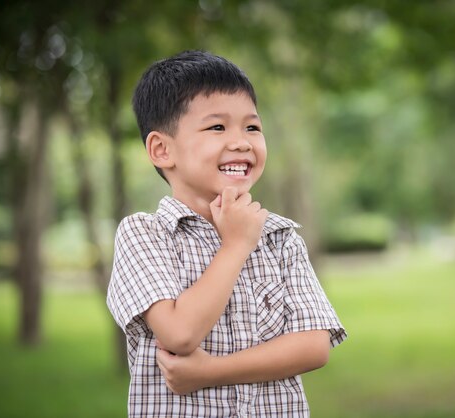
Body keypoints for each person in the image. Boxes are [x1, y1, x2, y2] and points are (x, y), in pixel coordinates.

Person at [106, 50, 347, 418]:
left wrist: (208, 372)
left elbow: (313, 346)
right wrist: (236, 246)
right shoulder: (144, 234)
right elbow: (180, 333)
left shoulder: (280, 238)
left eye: (252, 127)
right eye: (217, 127)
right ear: (161, 149)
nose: (242, 142)